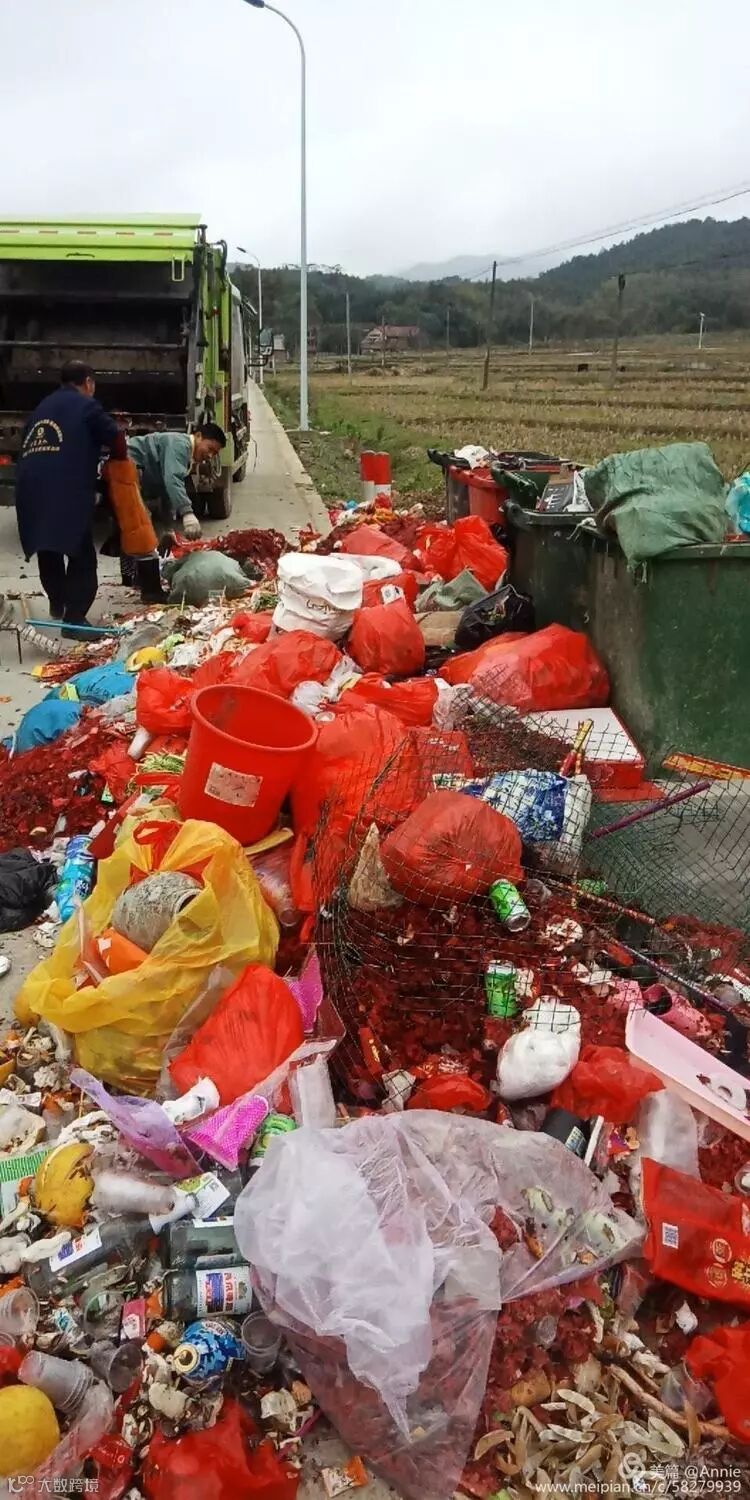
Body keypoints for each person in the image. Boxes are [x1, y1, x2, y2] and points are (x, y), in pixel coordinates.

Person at [15, 360, 126, 636]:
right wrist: (119, 462)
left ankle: (59, 601)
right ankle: (74, 620)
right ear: (88, 383)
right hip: (64, 487)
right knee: (81, 553)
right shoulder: (87, 405)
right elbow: (115, 437)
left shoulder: (42, 408)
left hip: (28, 487)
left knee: (48, 545)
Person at [126, 423, 226, 541]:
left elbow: (166, 489)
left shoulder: (187, 456)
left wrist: (168, 527)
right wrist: (187, 513)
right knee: (137, 526)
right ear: (198, 436)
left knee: (147, 527)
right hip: (125, 467)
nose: (210, 455)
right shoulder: (180, 445)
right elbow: (173, 480)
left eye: (214, 454)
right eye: (210, 449)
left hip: (136, 474)